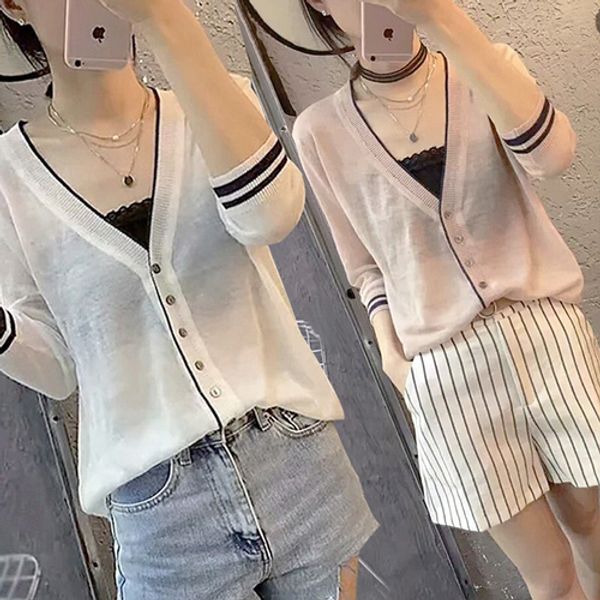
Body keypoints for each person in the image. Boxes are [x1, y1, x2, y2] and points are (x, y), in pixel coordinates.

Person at [0, 0, 379, 598]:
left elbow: (271, 215)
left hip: (294, 460)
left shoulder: (214, 104)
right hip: (159, 510)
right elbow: (57, 368)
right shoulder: (8, 179)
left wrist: (166, 20)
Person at [245, 0, 600, 599]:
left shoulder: (486, 67)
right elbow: (365, 268)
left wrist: (444, 20)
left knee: (594, 532)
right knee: (549, 576)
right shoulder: (320, 132)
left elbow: (552, 156)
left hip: (549, 342)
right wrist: (393, 356)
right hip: (447, 377)